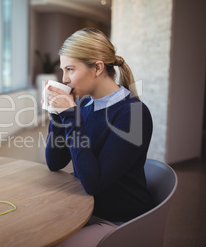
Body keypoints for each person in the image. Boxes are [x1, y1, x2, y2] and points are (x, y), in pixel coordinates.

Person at [44, 27, 154, 246]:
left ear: (97, 68)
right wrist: (57, 116)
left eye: (70, 70)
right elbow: (55, 162)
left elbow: (93, 183)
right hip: (84, 207)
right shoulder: (85, 105)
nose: (64, 79)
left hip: (117, 218)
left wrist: (72, 118)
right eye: (63, 70)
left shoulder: (133, 114)